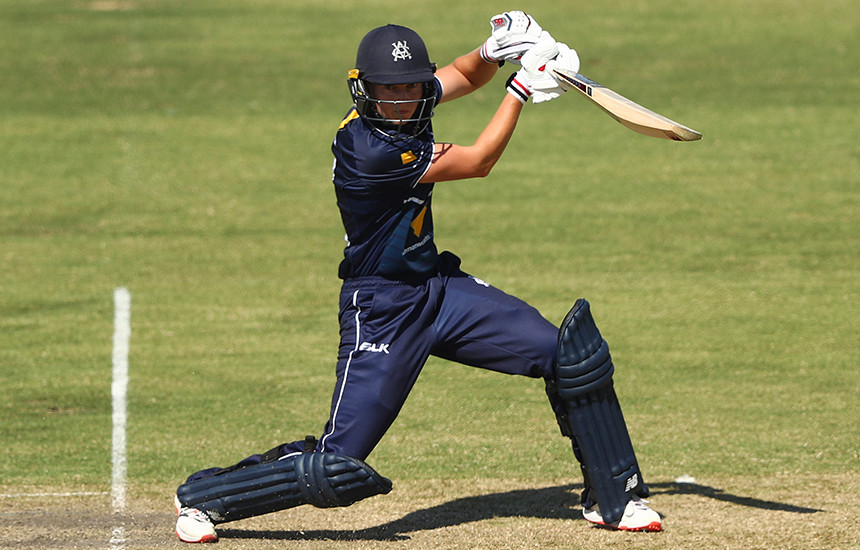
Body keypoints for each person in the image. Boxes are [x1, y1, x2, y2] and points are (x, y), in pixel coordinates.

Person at [173, 12, 662, 543]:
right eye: (388, 90)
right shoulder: (370, 148)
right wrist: (521, 87)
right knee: (339, 462)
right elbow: (478, 161)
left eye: (411, 88)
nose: (402, 100)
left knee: (568, 357)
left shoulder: (411, 104)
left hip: (439, 290)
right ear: (364, 89)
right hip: (381, 308)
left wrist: (495, 51)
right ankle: (203, 497)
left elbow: (460, 75)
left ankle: (615, 496)